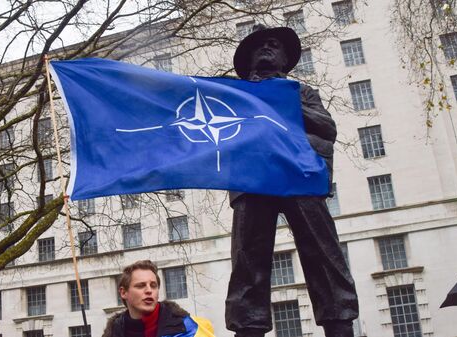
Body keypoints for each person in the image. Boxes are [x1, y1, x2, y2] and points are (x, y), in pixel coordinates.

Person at [225, 25, 359, 337]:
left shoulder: (303, 93)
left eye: (272, 45)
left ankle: (340, 324)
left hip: (300, 176)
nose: (266, 50)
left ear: (286, 57)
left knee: (324, 255)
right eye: (258, 47)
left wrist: (280, 102)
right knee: (248, 263)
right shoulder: (237, 95)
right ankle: (247, 328)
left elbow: (327, 128)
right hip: (254, 180)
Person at [103, 260, 215, 337]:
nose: (149, 290)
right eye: (141, 285)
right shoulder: (113, 332)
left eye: (153, 285)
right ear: (123, 292)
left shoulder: (190, 329)